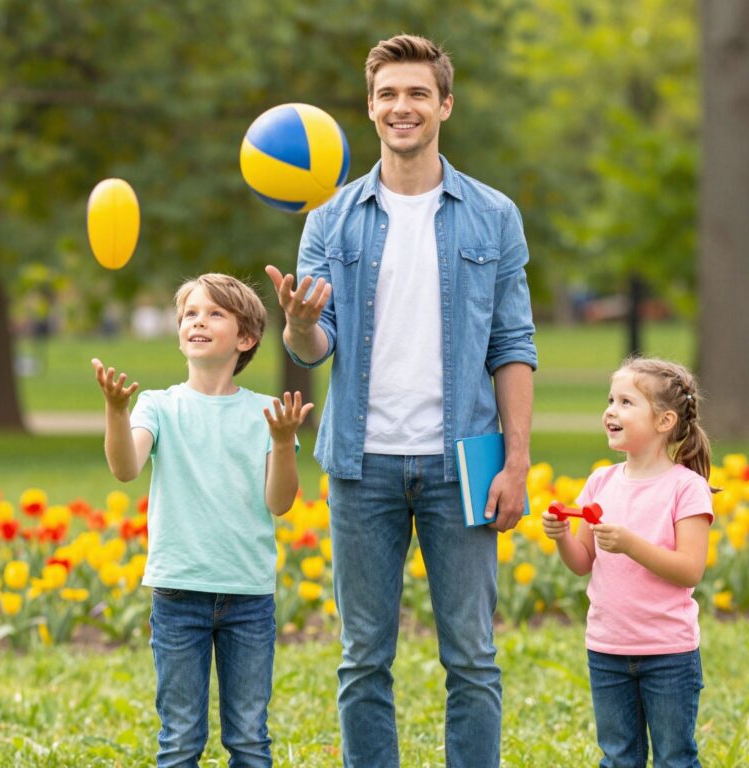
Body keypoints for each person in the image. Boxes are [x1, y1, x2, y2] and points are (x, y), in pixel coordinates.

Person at [265, 33, 537, 768]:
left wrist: (517, 462)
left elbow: (513, 344)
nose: (401, 106)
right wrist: (297, 325)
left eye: (417, 92)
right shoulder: (330, 219)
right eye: (387, 94)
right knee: (361, 662)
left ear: (445, 104)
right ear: (370, 108)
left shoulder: (493, 215)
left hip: (465, 463)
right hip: (361, 465)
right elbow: (317, 344)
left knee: (473, 661)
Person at [92, 273, 312, 768]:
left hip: (248, 598)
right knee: (180, 740)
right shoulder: (159, 406)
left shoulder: (267, 413)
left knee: (250, 740)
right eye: (190, 313)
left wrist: (281, 444)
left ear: (246, 338)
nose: (198, 320)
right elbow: (126, 468)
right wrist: (115, 411)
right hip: (177, 594)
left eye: (215, 313)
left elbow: (280, 502)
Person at [542, 357, 714, 768]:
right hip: (607, 647)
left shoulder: (686, 488)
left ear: (664, 420)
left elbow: (690, 569)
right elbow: (583, 562)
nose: (610, 411)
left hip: (668, 653)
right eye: (610, 400)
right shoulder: (600, 481)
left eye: (625, 402)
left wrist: (630, 544)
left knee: (675, 757)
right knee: (618, 757)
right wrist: (563, 537)